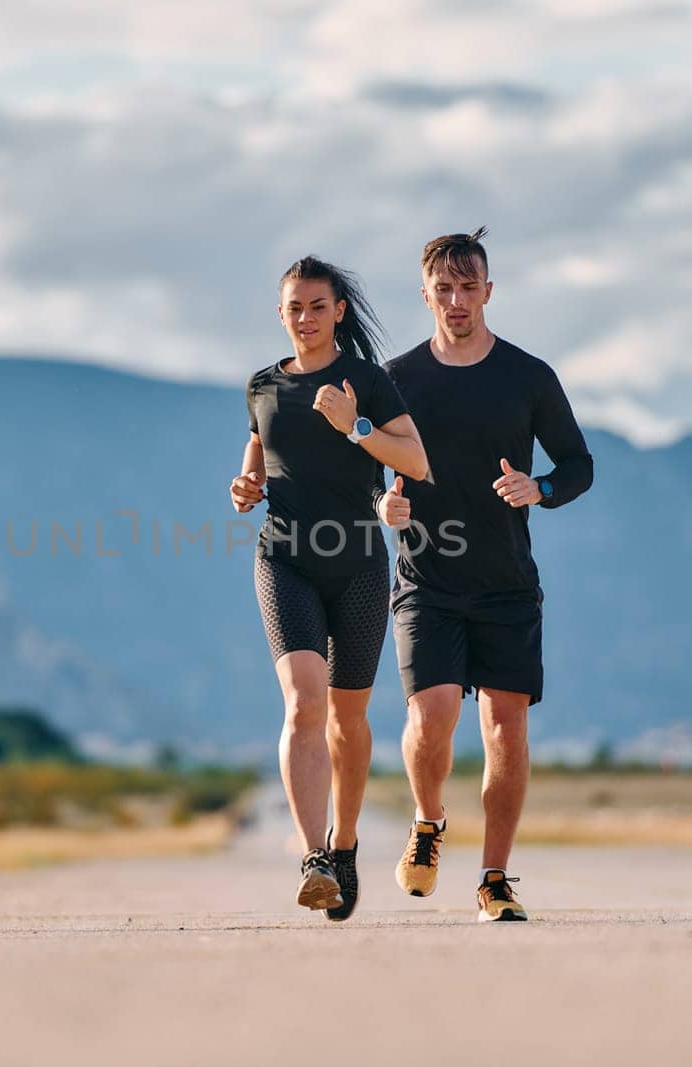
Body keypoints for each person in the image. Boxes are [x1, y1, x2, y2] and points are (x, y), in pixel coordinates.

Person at [373, 228, 593, 921]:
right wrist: (383, 502)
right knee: (432, 714)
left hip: (505, 584)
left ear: (489, 292)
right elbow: (361, 466)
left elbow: (578, 466)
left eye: (470, 287)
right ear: (426, 294)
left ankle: (495, 878)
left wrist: (541, 489)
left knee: (505, 730)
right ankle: (428, 820)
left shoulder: (528, 376)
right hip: (426, 578)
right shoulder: (397, 378)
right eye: (445, 288)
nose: (458, 300)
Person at [232, 257, 429, 919]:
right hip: (283, 557)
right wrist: (245, 488)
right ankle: (315, 855)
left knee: (348, 719)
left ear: (339, 309)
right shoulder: (261, 386)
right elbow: (256, 464)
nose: (307, 318)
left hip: (357, 567)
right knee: (303, 702)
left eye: (319, 305)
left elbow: (415, 461)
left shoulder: (368, 383)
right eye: (295, 307)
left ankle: (344, 845)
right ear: (280, 313)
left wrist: (356, 425)